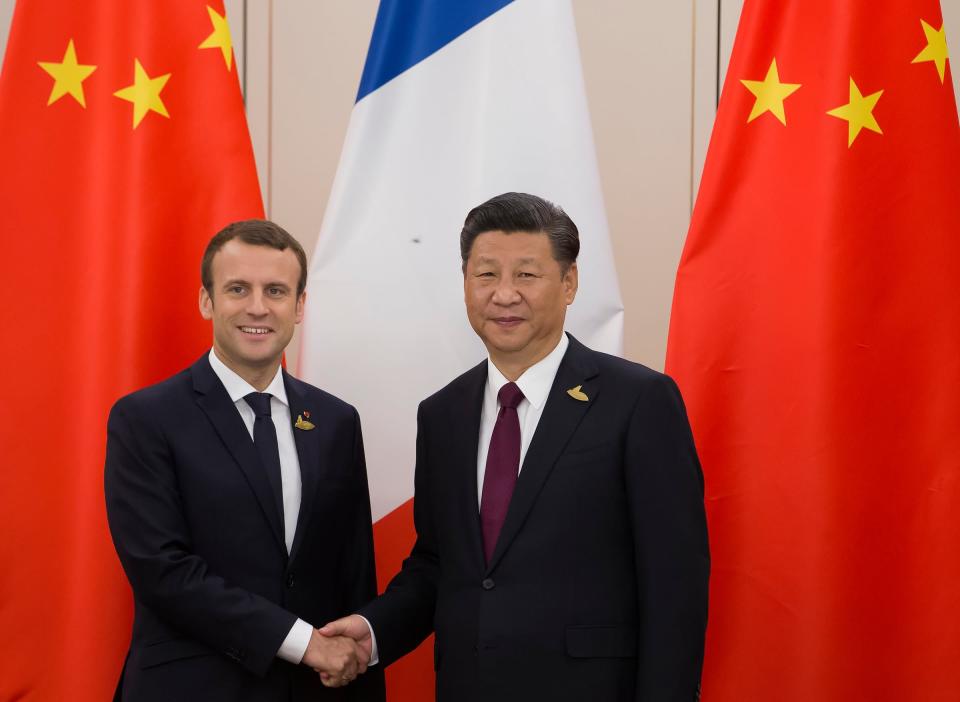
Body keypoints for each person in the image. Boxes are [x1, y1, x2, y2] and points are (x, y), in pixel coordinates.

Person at [320, 192, 710, 701]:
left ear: (569, 283)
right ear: (465, 283)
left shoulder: (639, 401)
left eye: (526, 275)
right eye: (486, 275)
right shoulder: (442, 414)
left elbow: (674, 584)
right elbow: (440, 564)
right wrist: (372, 633)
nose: (504, 294)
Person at [104, 220, 385, 701]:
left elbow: (354, 575)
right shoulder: (145, 419)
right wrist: (303, 643)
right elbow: (163, 571)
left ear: (299, 307)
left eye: (276, 290)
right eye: (238, 289)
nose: (258, 307)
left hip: (314, 691)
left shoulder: (337, 421)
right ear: (206, 300)